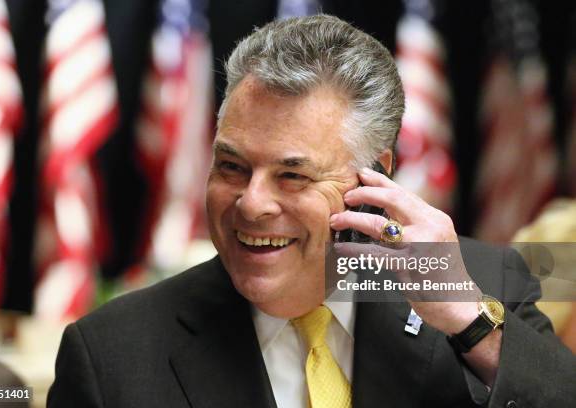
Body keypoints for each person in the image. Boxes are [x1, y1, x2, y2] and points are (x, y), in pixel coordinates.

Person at [48, 15, 576, 407]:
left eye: (293, 175)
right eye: (231, 167)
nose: (251, 203)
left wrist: (468, 325)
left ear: (375, 176)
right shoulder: (110, 357)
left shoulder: (483, 288)